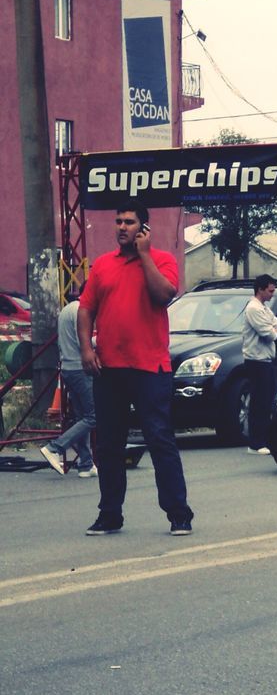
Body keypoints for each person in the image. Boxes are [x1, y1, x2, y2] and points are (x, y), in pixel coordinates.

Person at [77, 206, 195, 536]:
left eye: (129, 222)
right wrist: (87, 349)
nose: (122, 227)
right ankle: (110, 514)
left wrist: (144, 257)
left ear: (143, 227)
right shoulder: (103, 265)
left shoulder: (162, 260)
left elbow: (162, 296)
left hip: (150, 368)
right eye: (118, 222)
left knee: (159, 440)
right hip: (110, 369)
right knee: (109, 445)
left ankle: (178, 513)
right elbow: (85, 310)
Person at [39, 295, 97, 478]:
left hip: (68, 368)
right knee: (94, 416)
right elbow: (84, 342)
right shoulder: (81, 310)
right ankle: (54, 448)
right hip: (81, 369)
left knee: (83, 416)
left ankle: (86, 464)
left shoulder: (66, 310)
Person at [242, 274, 277, 454]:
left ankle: (266, 439)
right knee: (259, 402)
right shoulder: (254, 309)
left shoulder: (264, 309)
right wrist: (275, 329)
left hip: (266, 360)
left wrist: (276, 329)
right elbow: (271, 334)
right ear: (260, 289)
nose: (272, 294)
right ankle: (256, 443)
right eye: (270, 291)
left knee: (269, 400)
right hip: (256, 361)